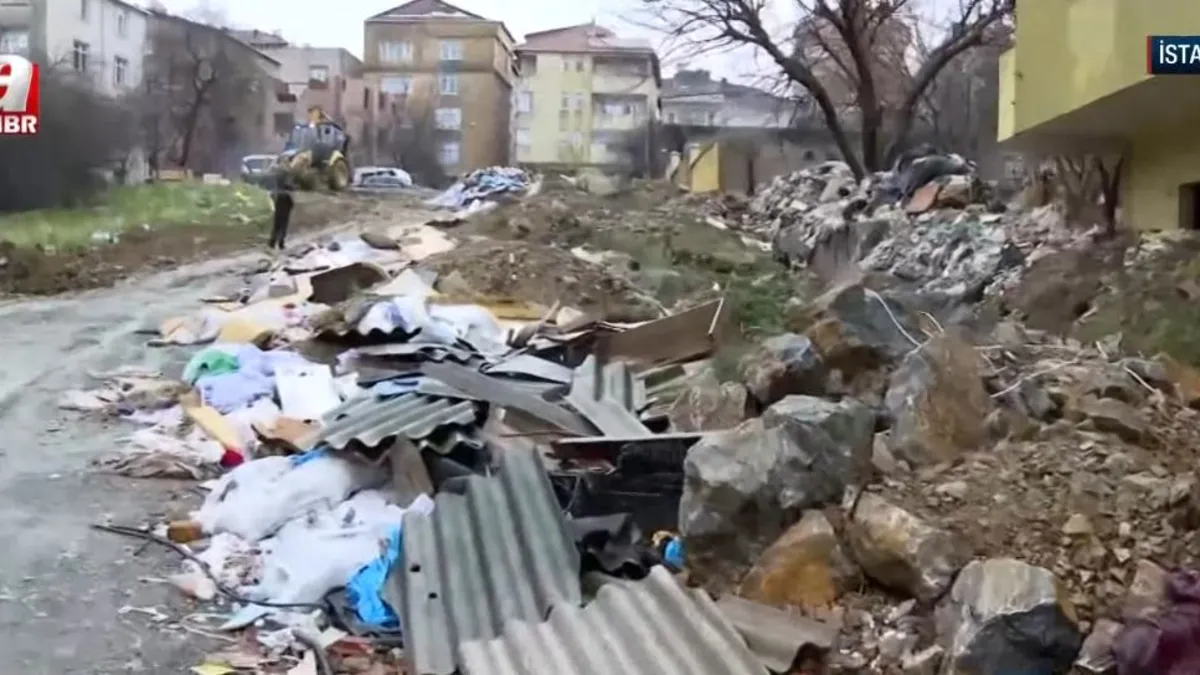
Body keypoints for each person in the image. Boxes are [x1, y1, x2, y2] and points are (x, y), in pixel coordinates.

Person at [268, 178, 295, 251]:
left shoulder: (279, 194)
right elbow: (292, 205)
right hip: (285, 215)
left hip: (277, 213)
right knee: (283, 230)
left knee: (276, 228)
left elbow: (273, 199)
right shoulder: (288, 196)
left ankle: (272, 243)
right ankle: (281, 244)